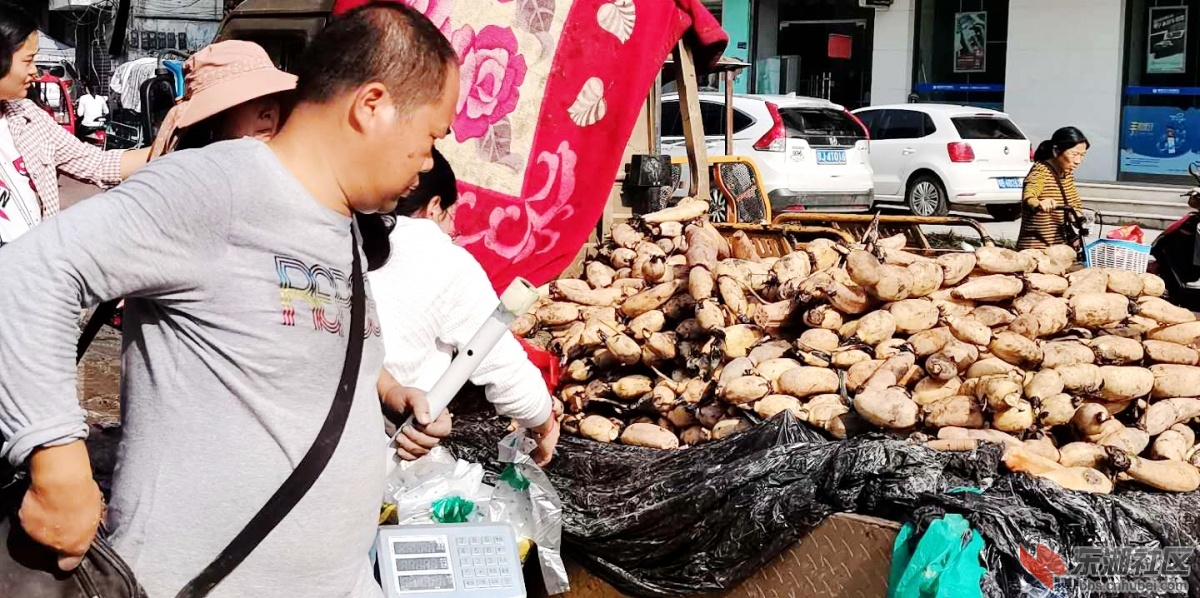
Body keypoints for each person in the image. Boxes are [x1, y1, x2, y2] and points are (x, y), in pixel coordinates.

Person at [0, 5, 457, 597]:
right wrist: (55, 459)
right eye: (430, 137)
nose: (428, 165)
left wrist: (390, 395)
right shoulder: (214, 186)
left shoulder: (339, 220)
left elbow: (302, 338)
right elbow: (27, 275)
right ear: (371, 106)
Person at [368, 149, 561, 466]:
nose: (452, 229)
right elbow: (505, 370)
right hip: (386, 453)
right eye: (449, 215)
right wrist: (545, 424)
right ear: (433, 208)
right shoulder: (441, 258)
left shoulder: (339, 236)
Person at [0, 3, 149, 247]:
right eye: (27, 61)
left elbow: (98, 164)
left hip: (32, 262)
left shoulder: (28, 117)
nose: (35, 71)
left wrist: (171, 148)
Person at [150, 40, 295, 159]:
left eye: (274, 96)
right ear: (216, 117)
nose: (268, 112)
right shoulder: (193, 171)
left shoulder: (292, 163)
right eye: (251, 99)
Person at [1016, 126, 1089, 251]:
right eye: (1074, 154)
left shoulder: (1066, 174)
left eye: (1083, 155)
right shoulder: (1040, 171)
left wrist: (1077, 214)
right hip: (1036, 250)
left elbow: (1075, 203)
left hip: (1060, 249)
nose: (1078, 161)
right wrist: (1038, 203)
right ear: (1056, 151)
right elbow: (1029, 196)